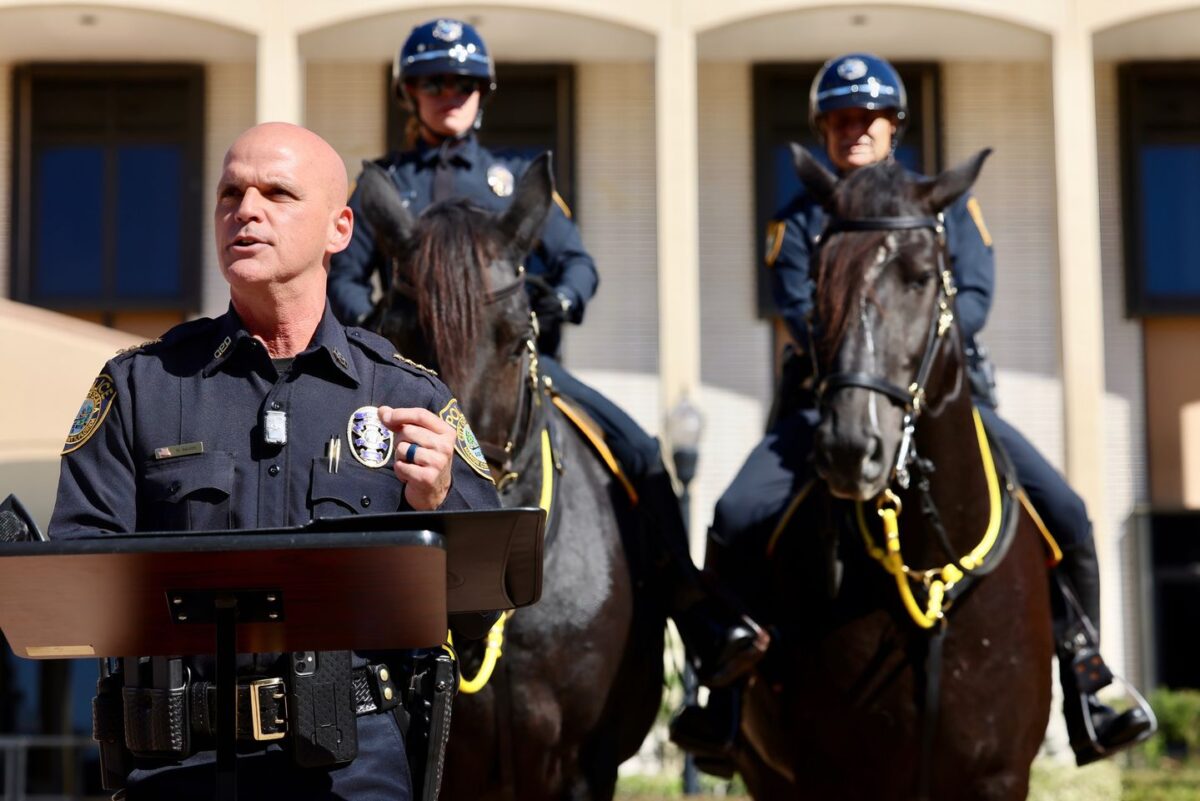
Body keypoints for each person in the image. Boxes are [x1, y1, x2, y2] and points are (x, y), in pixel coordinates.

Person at [672, 53, 1152, 767]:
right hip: (825, 407)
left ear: (894, 125)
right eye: (839, 120)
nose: (853, 130)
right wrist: (860, 366)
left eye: (867, 118)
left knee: (1069, 511)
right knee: (736, 515)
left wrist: (913, 353)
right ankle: (721, 692)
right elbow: (796, 308)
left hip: (945, 403)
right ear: (824, 130)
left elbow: (977, 297)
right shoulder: (800, 217)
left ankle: (1087, 676)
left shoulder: (947, 204)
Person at [49, 122, 501, 800]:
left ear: (339, 228)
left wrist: (440, 503)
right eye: (231, 193)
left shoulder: (411, 395)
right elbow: (72, 580)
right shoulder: (140, 386)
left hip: (354, 768)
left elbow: (483, 611)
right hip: (179, 761)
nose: (247, 210)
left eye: (277, 193)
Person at [328, 18, 768, 689]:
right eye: (433, 81)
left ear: (484, 92)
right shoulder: (383, 186)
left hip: (516, 365)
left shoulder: (511, 176)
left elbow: (576, 261)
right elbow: (346, 277)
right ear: (408, 93)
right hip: (410, 380)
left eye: (464, 82)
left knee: (640, 451)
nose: (450, 93)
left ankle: (694, 612)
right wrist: (368, 327)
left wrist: (559, 299)